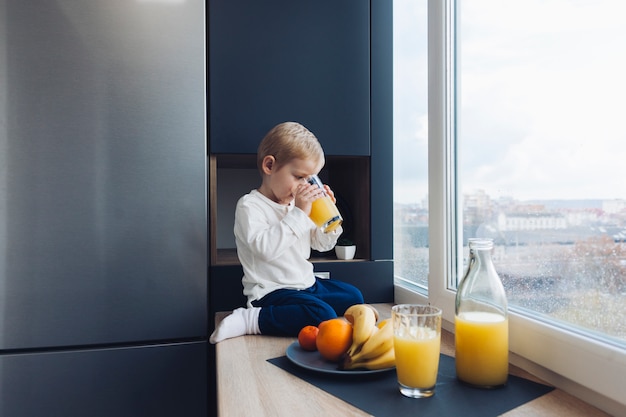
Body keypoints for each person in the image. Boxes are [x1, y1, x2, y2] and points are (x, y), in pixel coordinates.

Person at [210, 122, 364, 343]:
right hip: (272, 292)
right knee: (322, 315)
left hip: (306, 284)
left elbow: (321, 245)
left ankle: (306, 307)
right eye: (300, 177)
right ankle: (251, 319)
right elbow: (265, 249)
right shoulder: (250, 206)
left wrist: (329, 221)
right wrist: (301, 213)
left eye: (311, 179)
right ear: (270, 166)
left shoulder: (297, 207)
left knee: (354, 297)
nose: (306, 186)